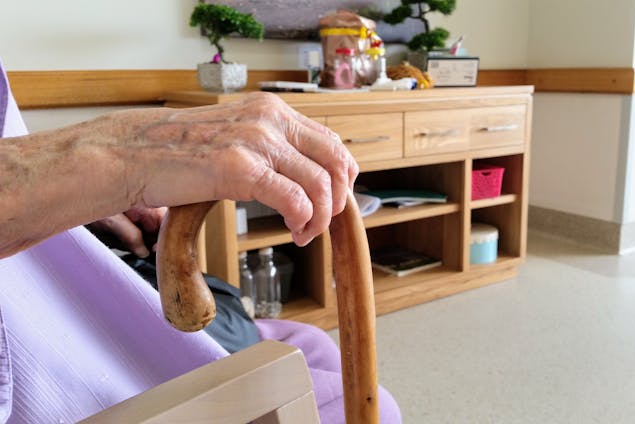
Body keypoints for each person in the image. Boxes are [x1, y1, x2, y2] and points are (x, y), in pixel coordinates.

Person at [0, 60, 400, 423]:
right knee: (369, 406)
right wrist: (118, 158)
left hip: (63, 287)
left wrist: (81, 204)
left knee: (310, 342)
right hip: (57, 380)